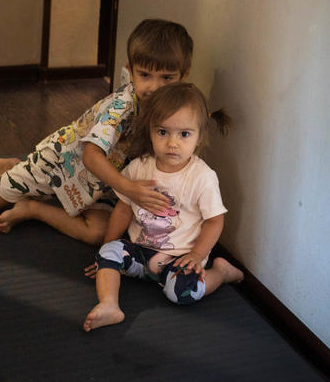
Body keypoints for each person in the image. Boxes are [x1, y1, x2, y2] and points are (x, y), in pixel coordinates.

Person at [0, 19, 193, 244]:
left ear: (183, 76)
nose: (154, 88)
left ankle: (33, 208)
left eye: (166, 78)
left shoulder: (180, 110)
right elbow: (90, 155)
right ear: (130, 71)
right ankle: (10, 167)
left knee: (100, 233)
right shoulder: (121, 107)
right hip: (61, 163)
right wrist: (129, 188)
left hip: (103, 185)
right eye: (145, 75)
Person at [83, 83, 244, 331]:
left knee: (183, 292)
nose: (172, 143)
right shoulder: (140, 167)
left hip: (178, 259)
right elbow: (123, 209)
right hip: (139, 252)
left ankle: (221, 273)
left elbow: (215, 220)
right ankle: (109, 305)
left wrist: (198, 256)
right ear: (150, 131)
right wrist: (107, 247)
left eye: (184, 134)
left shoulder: (202, 177)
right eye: (162, 132)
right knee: (107, 252)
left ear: (199, 136)